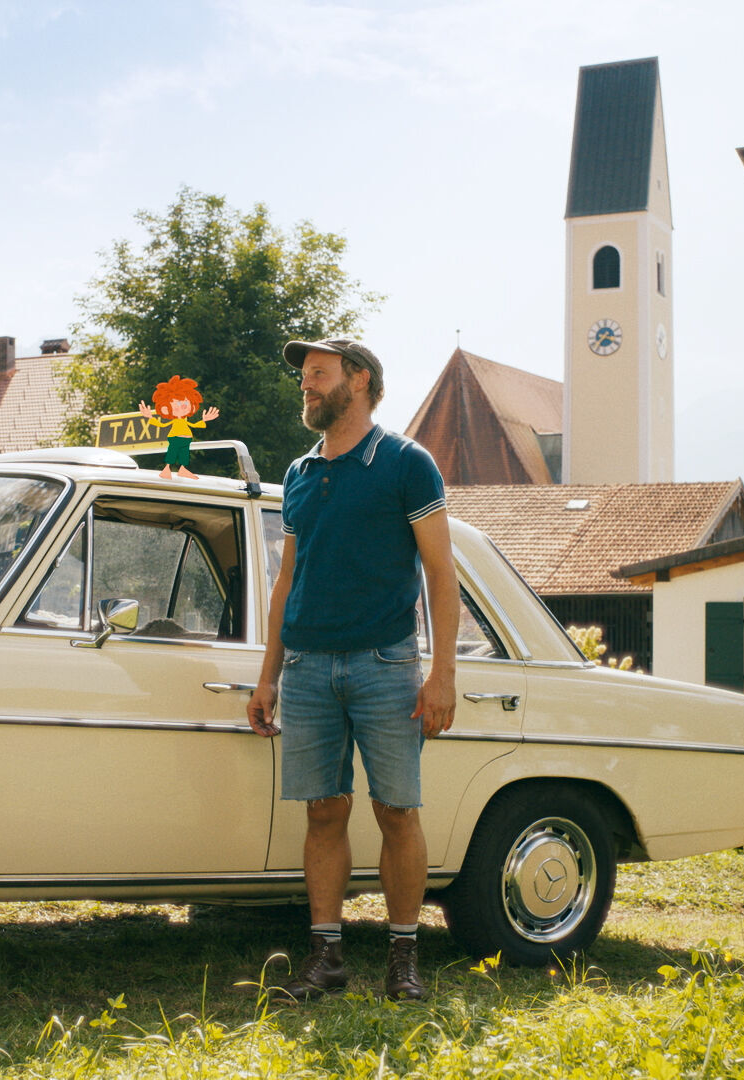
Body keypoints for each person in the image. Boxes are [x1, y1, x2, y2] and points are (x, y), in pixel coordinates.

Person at [246, 337, 457, 1003]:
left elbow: (441, 573)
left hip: (385, 664)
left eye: (318, 373)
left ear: (358, 380)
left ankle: (404, 959)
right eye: (304, 376)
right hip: (307, 666)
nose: (305, 385)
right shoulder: (300, 473)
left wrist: (443, 673)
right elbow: (286, 582)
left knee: (397, 811)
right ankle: (326, 959)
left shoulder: (406, 463)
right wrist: (268, 676)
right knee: (323, 812)